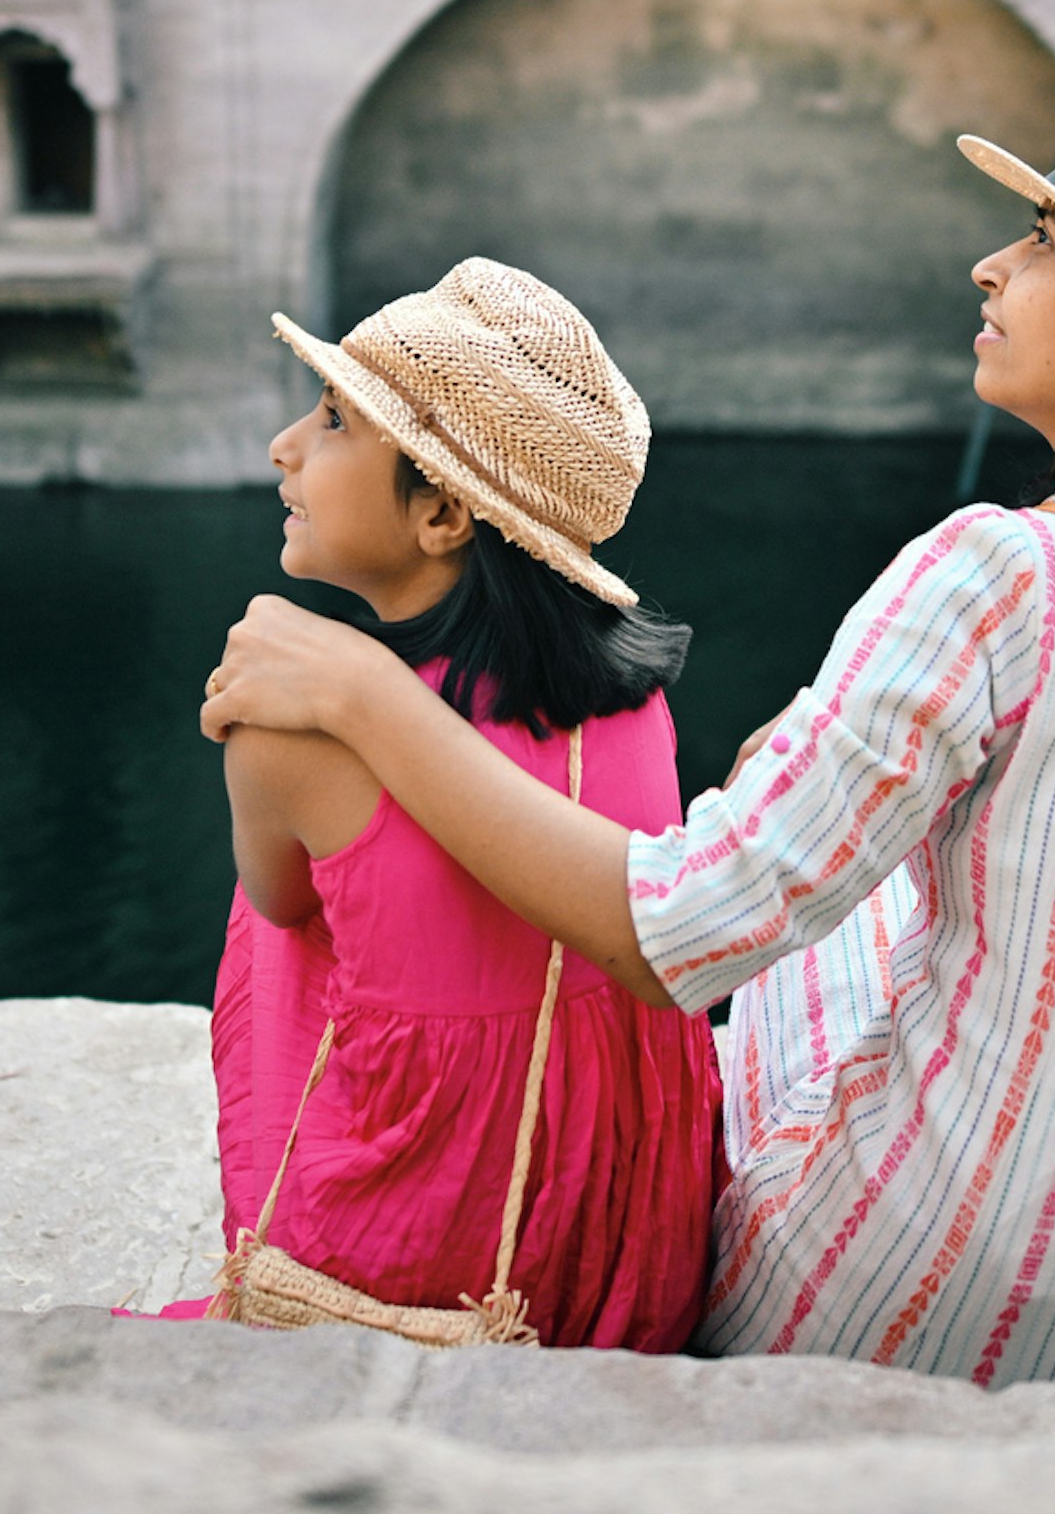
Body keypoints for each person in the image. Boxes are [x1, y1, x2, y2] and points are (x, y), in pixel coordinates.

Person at [202, 87, 1055, 1386]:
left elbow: (677, 940)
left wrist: (364, 695)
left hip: (922, 1302)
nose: (990, 263)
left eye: (1044, 239)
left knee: (807, 940)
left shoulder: (1009, 574)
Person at [196, 257, 722, 1350]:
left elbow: (279, 905)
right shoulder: (637, 698)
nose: (285, 444)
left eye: (335, 420)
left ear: (440, 513)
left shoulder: (286, 738)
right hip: (616, 1217)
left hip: (425, 1241)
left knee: (284, 924)